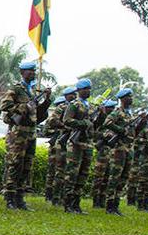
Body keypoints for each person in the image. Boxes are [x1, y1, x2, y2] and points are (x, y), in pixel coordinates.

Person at [1, 61, 51, 211]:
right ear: (22, 73)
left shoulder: (33, 91)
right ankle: (10, 197)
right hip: (18, 132)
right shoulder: (16, 89)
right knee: (15, 164)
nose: (32, 73)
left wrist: (47, 100)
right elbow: (5, 105)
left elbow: (38, 114)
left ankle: (20, 197)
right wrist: (24, 107)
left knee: (27, 165)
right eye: (29, 71)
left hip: (31, 132)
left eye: (34, 71)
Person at [59, 78, 93, 214]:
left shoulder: (90, 106)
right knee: (72, 173)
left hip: (87, 142)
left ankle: (76, 203)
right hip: (76, 143)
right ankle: (68, 204)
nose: (88, 91)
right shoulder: (74, 105)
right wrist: (83, 123)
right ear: (79, 90)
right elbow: (66, 120)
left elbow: (93, 124)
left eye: (89, 89)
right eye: (85, 89)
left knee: (83, 174)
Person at [101, 88, 135, 216]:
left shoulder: (130, 114)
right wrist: (120, 130)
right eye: (128, 97)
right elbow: (107, 122)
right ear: (123, 99)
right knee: (115, 177)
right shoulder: (117, 112)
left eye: (131, 96)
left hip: (128, 148)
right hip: (118, 149)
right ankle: (109, 205)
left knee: (124, 177)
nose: (131, 99)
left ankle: (116, 204)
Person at [43, 87, 76, 205]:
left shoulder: (75, 107)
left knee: (67, 170)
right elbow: (51, 124)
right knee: (57, 170)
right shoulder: (62, 107)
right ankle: (54, 196)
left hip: (70, 141)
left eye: (75, 94)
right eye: (71, 94)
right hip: (60, 142)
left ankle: (62, 196)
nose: (74, 96)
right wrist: (65, 126)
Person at [127, 108, 148, 211]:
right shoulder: (144, 128)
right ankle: (139, 203)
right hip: (145, 157)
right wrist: (147, 142)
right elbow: (137, 139)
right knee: (143, 181)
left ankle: (146, 203)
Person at [90, 99, 117, 209]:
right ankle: (95, 199)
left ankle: (102, 198)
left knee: (107, 176)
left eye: (113, 108)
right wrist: (104, 136)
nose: (112, 110)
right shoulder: (100, 119)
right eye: (110, 108)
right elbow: (93, 132)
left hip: (111, 150)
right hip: (102, 151)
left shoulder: (114, 120)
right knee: (99, 176)